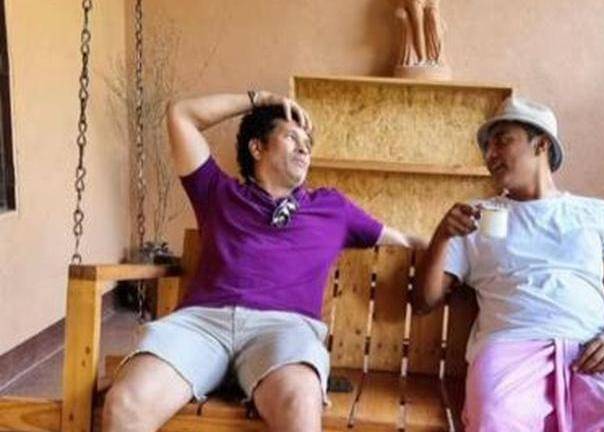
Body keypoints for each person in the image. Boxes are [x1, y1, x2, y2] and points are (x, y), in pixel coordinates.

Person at [103, 91, 426, 432]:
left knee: (299, 404)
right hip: (202, 326)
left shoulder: (333, 208)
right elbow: (181, 114)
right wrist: (260, 98)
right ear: (257, 148)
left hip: (283, 330)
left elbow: (404, 242)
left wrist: (453, 242)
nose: (304, 148)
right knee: (126, 403)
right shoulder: (217, 192)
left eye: (308, 143)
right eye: (292, 137)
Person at [414, 96, 604, 431]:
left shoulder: (598, 214)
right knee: (496, 419)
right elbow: (425, 300)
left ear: (542, 144)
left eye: (502, 141)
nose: (490, 155)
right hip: (510, 345)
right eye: (487, 147)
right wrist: (442, 236)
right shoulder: (475, 217)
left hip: (590, 348)